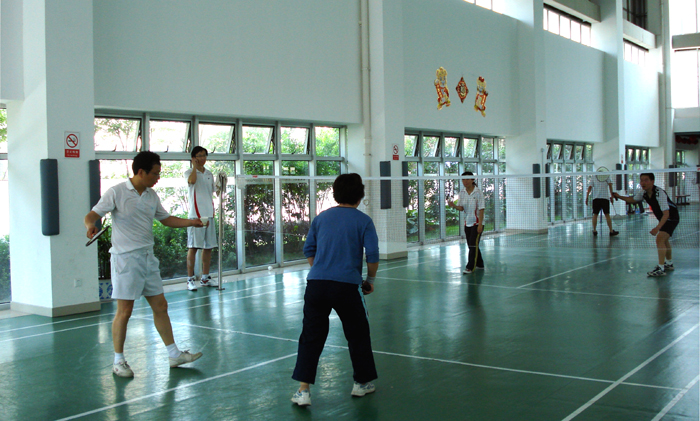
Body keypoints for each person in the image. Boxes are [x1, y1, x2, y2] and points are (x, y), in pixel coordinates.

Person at [84, 151, 204, 378]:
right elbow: (92, 215)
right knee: (125, 311)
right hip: (125, 260)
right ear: (141, 172)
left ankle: (174, 354)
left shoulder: (151, 195)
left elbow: (166, 219)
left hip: (148, 258)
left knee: (161, 306)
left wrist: (191, 222)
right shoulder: (117, 192)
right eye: (155, 173)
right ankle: (118, 361)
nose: (158, 177)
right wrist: (90, 226)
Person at [291, 173, 379, 407]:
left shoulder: (321, 218)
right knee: (358, 334)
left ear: (336, 194)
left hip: (316, 286)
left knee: (311, 336)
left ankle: (303, 390)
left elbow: (309, 250)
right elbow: (372, 255)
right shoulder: (364, 221)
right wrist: (370, 280)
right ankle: (361, 383)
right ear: (360, 195)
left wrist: (321, 270)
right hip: (347, 287)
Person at [613, 172, 680, 277]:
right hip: (663, 217)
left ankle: (661, 268)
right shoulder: (643, 192)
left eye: (646, 180)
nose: (643, 182)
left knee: (660, 239)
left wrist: (657, 228)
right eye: (641, 180)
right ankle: (669, 263)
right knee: (664, 240)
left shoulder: (659, 193)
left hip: (671, 217)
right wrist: (619, 196)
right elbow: (633, 199)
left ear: (652, 181)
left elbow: (666, 213)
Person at [185, 146, 219, 291]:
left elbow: (216, 191)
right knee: (193, 247)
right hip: (196, 215)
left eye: (204, 155)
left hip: (209, 215)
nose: (203, 158)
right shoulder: (189, 172)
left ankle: (205, 278)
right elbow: (191, 181)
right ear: (193, 158)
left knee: (208, 247)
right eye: (199, 156)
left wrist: (221, 182)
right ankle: (190, 279)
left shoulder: (209, 173)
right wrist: (194, 167)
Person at [448, 171, 485, 274]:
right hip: (467, 222)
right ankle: (480, 263)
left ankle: (470, 267)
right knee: (471, 245)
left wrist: (480, 224)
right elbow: (461, 208)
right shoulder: (462, 193)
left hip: (477, 223)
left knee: (473, 244)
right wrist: (454, 206)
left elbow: (481, 209)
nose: (465, 181)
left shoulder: (478, 192)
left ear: (472, 180)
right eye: (463, 179)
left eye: (467, 179)